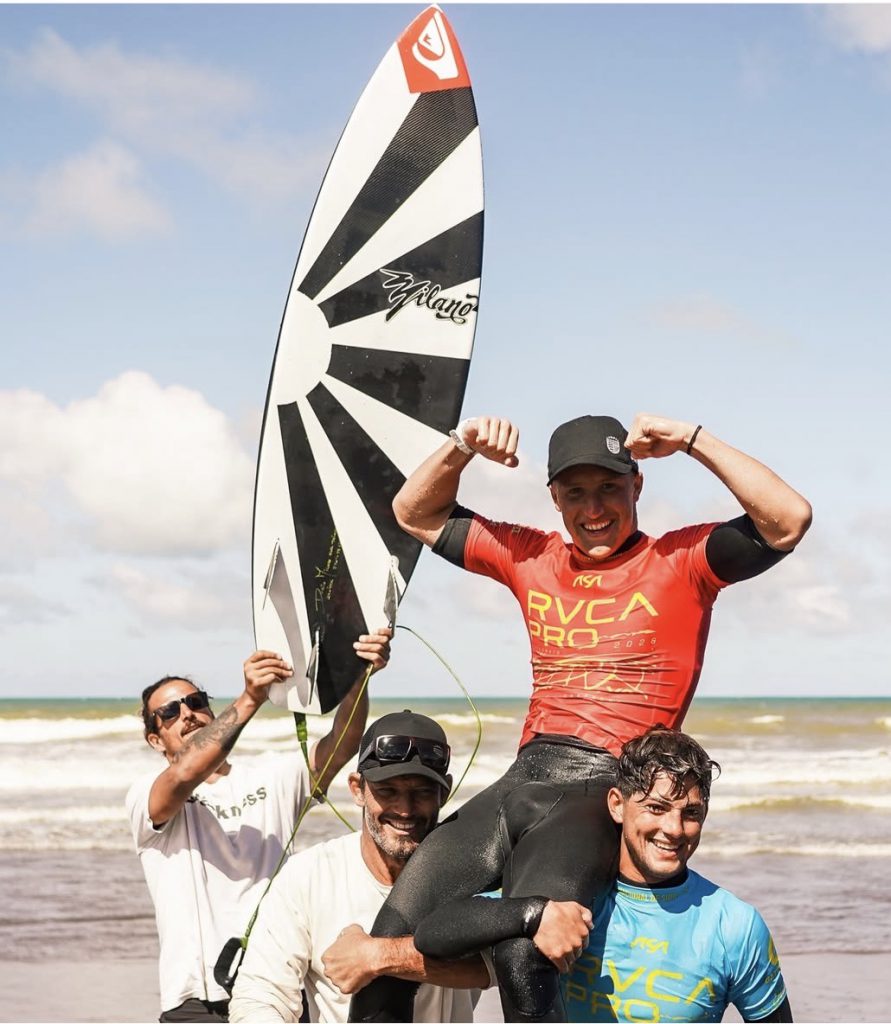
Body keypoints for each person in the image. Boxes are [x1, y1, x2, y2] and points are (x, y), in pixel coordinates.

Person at [349, 413, 811, 1022]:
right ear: (555, 498)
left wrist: (692, 441)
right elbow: (414, 513)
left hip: (601, 784)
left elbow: (788, 520)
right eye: (575, 493)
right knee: (385, 947)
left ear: (637, 485)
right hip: (522, 778)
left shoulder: (681, 561)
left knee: (525, 953)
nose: (593, 509)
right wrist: (463, 445)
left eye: (609, 488)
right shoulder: (531, 556)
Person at [415, 725, 793, 1023]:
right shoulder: (571, 896)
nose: (674, 829)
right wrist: (530, 914)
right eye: (656, 808)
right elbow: (432, 933)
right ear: (617, 805)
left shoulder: (734, 925)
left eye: (690, 813)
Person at [126, 630, 392, 1023]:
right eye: (169, 712)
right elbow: (184, 773)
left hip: (279, 989)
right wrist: (251, 698)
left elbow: (342, 742)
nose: (187, 714)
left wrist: (359, 676)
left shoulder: (272, 774)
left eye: (195, 702)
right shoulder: (146, 793)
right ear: (155, 740)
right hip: (197, 1000)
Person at [227, 710, 492, 1023]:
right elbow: (261, 994)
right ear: (357, 789)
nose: (404, 810)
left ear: (444, 793)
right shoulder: (309, 876)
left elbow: (508, 962)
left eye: (421, 792)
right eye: (387, 791)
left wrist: (377, 956)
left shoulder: (475, 875)